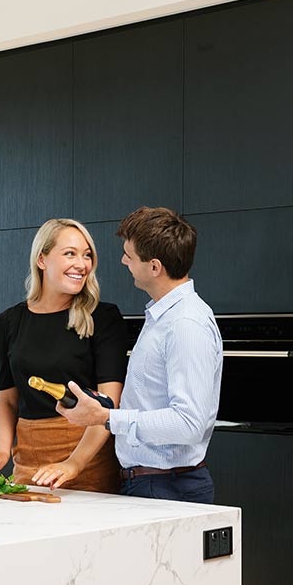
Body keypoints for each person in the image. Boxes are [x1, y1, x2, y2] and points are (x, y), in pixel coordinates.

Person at [58, 207, 222, 504]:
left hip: (168, 487)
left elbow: (189, 424)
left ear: (155, 266)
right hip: (154, 483)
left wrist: (107, 417)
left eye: (129, 256)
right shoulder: (163, 316)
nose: (123, 261)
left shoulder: (184, 324)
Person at [0, 218, 127, 493]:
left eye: (87, 255)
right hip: (28, 463)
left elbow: (109, 406)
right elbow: (7, 400)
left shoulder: (103, 318)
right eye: (70, 253)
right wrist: (3, 452)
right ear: (42, 259)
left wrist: (73, 464)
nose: (82, 264)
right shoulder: (8, 321)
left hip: (87, 462)